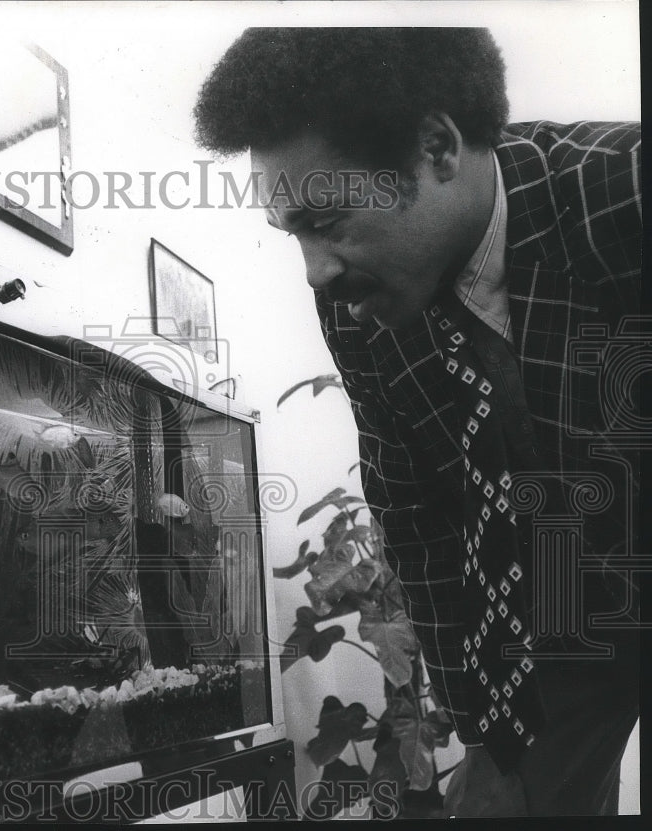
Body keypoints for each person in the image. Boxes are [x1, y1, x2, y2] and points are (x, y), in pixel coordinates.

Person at [193, 28, 642, 817]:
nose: (316, 271)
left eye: (328, 220)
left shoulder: (625, 188)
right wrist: (483, 732)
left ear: (438, 148)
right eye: (293, 233)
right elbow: (421, 522)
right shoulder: (359, 309)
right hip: (565, 620)